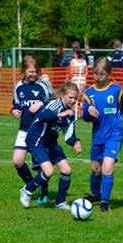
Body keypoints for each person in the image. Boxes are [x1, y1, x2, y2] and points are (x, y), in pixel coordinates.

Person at [82, 57, 123, 212]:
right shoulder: (88, 93)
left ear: (109, 74)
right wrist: (88, 111)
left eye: (102, 74)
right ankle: (96, 194)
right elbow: (85, 117)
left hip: (114, 134)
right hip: (98, 136)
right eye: (96, 73)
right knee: (96, 169)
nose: (98, 77)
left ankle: (105, 202)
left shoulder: (116, 90)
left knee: (107, 168)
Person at [19, 81, 82, 210]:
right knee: (48, 171)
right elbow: (43, 115)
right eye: (70, 97)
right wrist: (60, 114)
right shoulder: (56, 104)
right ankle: (27, 190)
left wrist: (75, 142)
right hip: (37, 140)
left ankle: (60, 203)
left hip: (51, 142)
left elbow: (69, 135)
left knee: (66, 170)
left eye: (75, 98)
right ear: (63, 96)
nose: (73, 100)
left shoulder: (70, 114)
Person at [11, 58, 52, 206]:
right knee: (17, 161)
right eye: (30, 71)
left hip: (40, 130)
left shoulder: (43, 84)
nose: (33, 74)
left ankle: (44, 192)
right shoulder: (19, 87)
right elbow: (16, 104)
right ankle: (31, 185)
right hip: (24, 129)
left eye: (35, 71)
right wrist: (14, 110)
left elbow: (53, 101)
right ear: (23, 71)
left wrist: (41, 103)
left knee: (41, 165)